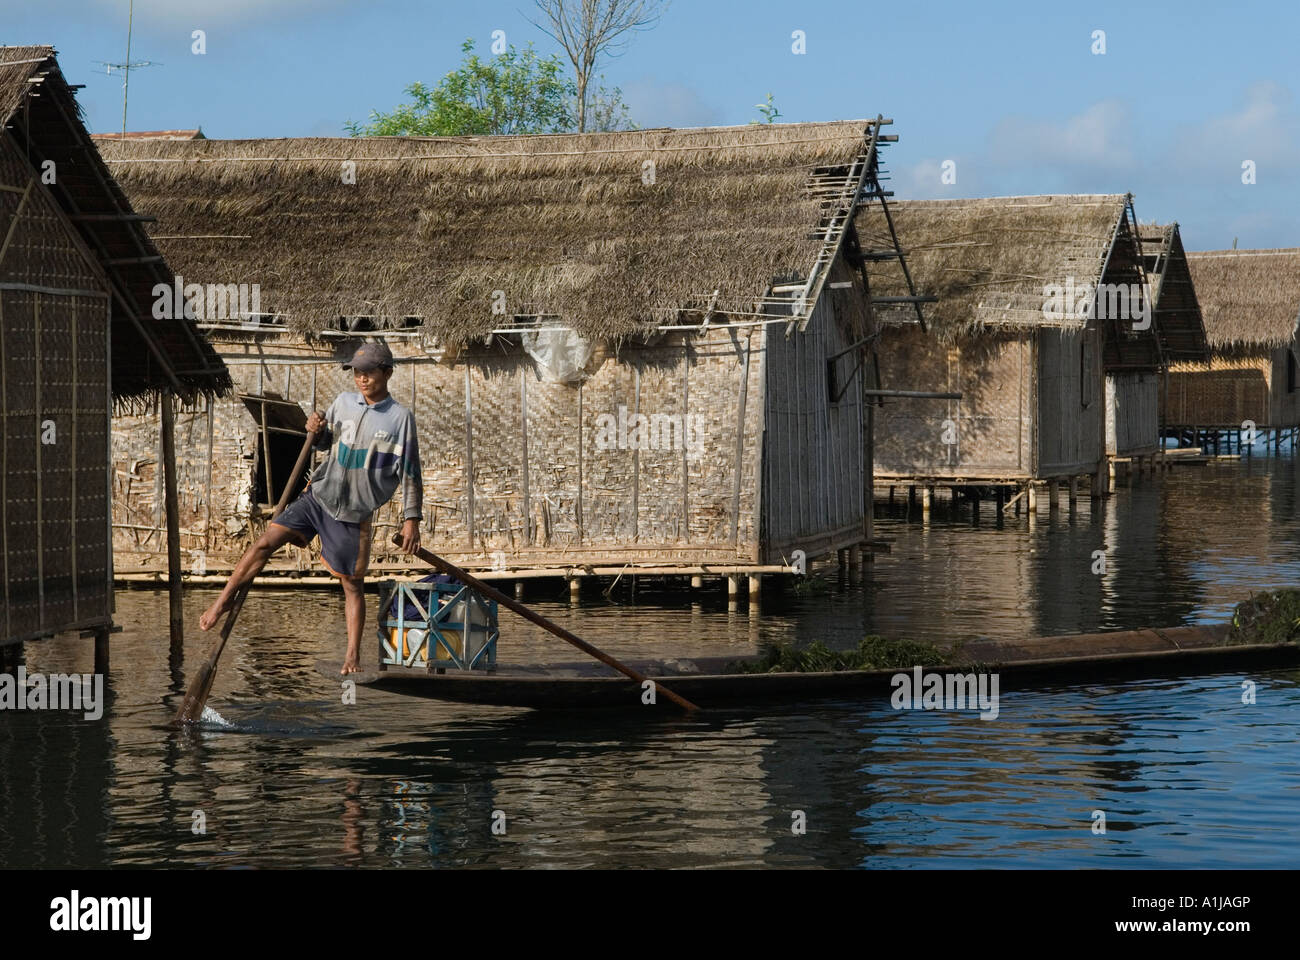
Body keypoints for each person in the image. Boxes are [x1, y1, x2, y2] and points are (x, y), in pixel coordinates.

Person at [198, 342, 423, 674]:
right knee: (264, 542)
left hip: (353, 514)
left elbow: (411, 472)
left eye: (369, 373)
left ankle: (351, 656)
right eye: (357, 373)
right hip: (318, 496)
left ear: (387, 373)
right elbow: (322, 443)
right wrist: (314, 429)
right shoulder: (344, 403)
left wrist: (411, 520)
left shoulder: (400, 419)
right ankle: (223, 600)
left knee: (352, 584)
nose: (362, 379)